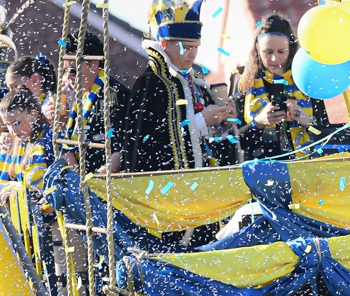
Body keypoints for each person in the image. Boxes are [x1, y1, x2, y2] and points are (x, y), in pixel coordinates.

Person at [125, 0, 237, 173]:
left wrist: (224, 123)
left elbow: (210, 141)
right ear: (165, 45)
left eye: (196, 47)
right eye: (186, 47)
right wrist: (202, 121)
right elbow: (151, 143)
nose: (193, 54)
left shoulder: (197, 82)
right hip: (169, 184)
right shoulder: (151, 83)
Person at [237, 14, 328, 160]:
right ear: (258, 49)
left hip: (305, 165)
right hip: (262, 166)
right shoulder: (247, 83)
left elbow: (327, 135)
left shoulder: (305, 80)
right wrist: (259, 122)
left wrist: (305, 119)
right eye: (268, 52)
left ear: (290, 48)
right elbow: (235, 141)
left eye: (281, 52)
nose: (275, 59)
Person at [59, 32, 130, 173]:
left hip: (104, 183)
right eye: (64, 71)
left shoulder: (115, 95)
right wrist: (75, 177)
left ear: (94, 64)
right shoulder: (81, 96)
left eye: (73, 71)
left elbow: (120, 153)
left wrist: (91, 181)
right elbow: (67, 147)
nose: (68, 77)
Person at [0, 88, 53, 202]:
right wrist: (12, 192)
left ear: (33, 115)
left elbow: (72, 176)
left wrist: (52, 199)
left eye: (16, 123)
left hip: (55, 211)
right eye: (8, 124)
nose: (12, 130)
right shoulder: (21, 141)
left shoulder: (50, 138)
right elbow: (23, 185)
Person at [7, 54, 56, 123]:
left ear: (34, 80)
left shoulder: (52, 105)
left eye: (15, 87)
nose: (11, 93)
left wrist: (48, 121)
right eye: (9, 89)